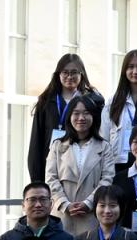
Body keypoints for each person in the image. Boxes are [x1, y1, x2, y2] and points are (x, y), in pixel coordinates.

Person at [45, 94, 116, 237]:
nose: (81, 118)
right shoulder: (57, 145)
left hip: (91, 216)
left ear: (94, 117)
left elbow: (107, 179)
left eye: (86, 113)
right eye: (76, 113)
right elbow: (50, 178)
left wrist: (88, 203)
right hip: (62, 216)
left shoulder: (104, 147)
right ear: (69, 117)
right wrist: (65, 204)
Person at [28, 54, 105, 182]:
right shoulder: (46, 102)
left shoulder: (93, 101)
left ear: (82, 74)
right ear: (58, 74)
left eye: (74, 72)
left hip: (83, 168)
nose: (69, 77)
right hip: (51, 167)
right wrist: (36, 180)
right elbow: (36, 142)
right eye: (65, 72)